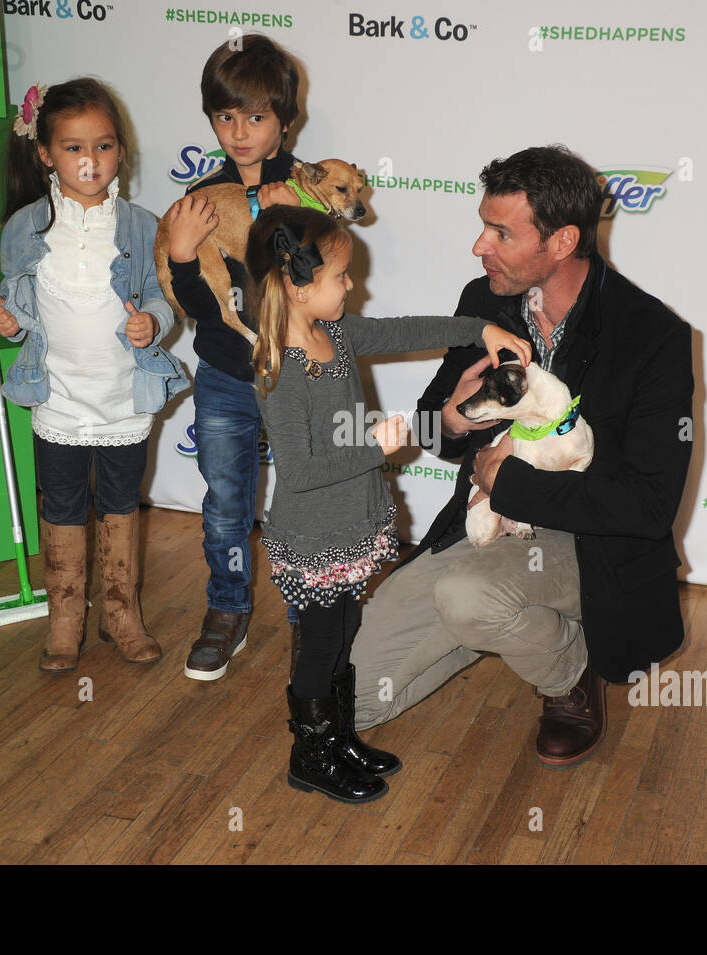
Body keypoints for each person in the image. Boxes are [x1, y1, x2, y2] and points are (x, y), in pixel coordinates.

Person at [350, 145, 694, 767]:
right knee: (351, 703)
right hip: (491, 527)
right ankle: (513, 618)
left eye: (500, 232)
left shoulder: (651, 337)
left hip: (593, 543)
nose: (479, 246)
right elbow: (439, 425)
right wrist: (452, 418)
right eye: (484, 225)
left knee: (467, 597)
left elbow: (647, 506)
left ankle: (569, 674)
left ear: (562, 242)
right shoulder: (486, 301)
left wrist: (507, 482)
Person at [246, 205, 531, 802]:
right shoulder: (280, 371)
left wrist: (479, 329)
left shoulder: (338, 334)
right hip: (315, 536)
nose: (353, 286)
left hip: (351, 522)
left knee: (347, 628)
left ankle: (340, 735)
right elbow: (297, 473)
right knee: (321, 640)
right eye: (341, 277)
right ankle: (311, 752)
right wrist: (374, 448)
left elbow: (407, 331)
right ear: (299, 287)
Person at [0, 78, 188, 673]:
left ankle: (121, 613)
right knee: (64, 504)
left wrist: (151, 324)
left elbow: (160, 297)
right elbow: (22, 311)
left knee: (122, 501)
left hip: (123, 399)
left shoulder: (141, 225)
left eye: (103, 146)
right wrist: (8, 322)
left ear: (120, 151)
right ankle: (66, 617)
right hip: (59, 399)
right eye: (74, 147)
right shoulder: (24, 229)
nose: (90, 161)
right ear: (46, 153)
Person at [161, 34, 306, 682]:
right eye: (225, 117)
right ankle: (227, 609)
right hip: (224, 375)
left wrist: (292, 231)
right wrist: (187, 254)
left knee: (306, 499)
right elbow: (197, 303)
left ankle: (315, 616)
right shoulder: (199, 199)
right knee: (225, 503)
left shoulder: (308, 189)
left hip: (300, 373)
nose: (239, 132)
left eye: (255, 117)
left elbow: (321, 295)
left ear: (284, 119)